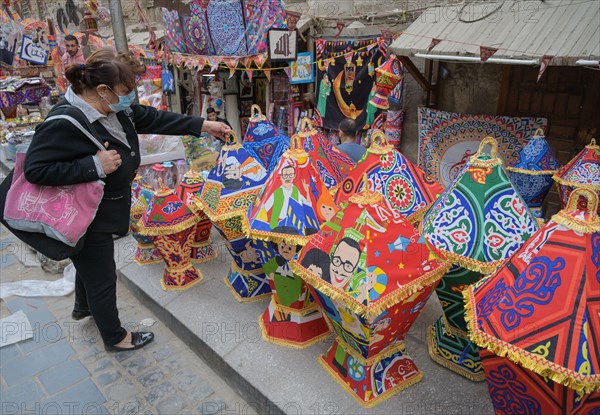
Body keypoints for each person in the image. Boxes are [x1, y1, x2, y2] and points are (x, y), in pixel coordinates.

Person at [23, 48, 231, 352]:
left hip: (103, 208)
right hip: (85, 214)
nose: (130, 98)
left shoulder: (116, 110)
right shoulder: (65, 120)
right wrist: (94, 165)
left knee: (90, 266)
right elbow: (36, 169)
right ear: (103, 90)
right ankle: (115, 337)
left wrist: (202, 126)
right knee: (103, 274)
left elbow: (153, 118)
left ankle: (83, 307)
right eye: (125, 91)